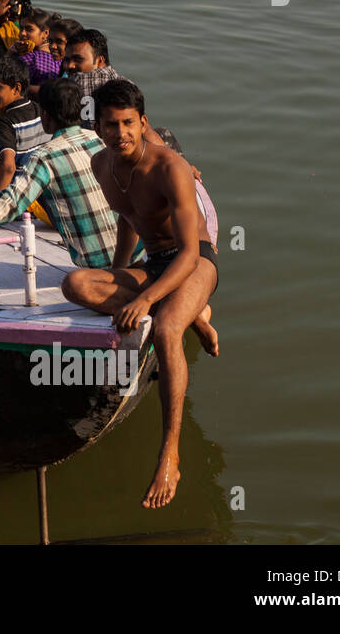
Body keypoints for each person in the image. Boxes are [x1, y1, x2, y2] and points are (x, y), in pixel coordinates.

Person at [60, 79, 219, 511]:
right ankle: (192, 314)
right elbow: (129, 217)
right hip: (152, 263)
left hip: (194, 262)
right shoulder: (100, 165)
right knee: (75, 284)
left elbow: (188, 254)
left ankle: (170, 452)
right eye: (111, 125)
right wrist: (117, 272)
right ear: (98, 128)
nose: (121, 134)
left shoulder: (170, 168)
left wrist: (145, 300)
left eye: (129, 123)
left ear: (142, 122)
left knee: (166, 329)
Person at [0, 79, 121, 271]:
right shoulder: (102, 140)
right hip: (133, 253)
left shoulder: (44, 157)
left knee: (74, 286)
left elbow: (11, 202)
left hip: (98, 265)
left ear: (45, 116)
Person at [0, 56, 47, 198]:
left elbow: (8, 167)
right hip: (41, 189)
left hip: (20, 195)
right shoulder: (39, 110)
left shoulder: (4, 123)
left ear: (16, 88)